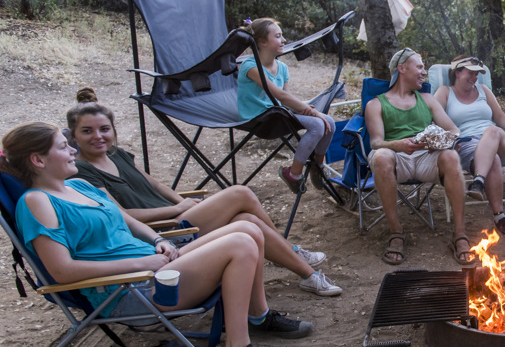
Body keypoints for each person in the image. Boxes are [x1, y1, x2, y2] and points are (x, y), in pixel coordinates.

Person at [1, 122, 309, 347]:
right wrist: (143, 261)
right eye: (62, 146)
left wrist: (157, 241)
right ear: (38, 161)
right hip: (130, 290)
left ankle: (259, 316)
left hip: (157, 268)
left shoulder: (80, 185)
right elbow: (62, 271)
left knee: (249, 229)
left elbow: (128, 221)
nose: (72, 151)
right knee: (239, 243)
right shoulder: (36, 202)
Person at [66, 89, 341, 297]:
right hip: (163, 229)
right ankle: (291, 251)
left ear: (113, 131)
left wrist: (181, 201)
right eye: (87, 131)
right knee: (240, 194)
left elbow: (154, 185)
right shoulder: (82, 170)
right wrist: (177, 209)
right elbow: (122, 215)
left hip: (179, 215)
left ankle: (307, 274)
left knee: (247, 219)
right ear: (73, 136)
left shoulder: (118, 155)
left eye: (104, 129)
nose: (98, 136)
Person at [366, 48, 475, 266]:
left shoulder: (427, 99)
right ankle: (396, 232)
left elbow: (454, 131)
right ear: (402, 68)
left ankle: (460, 234)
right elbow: (376, 143)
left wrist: (440, 141)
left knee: (452, 157)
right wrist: (397, 144)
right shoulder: (376, 104)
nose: (424, 72)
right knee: (380, 156)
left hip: (428, 156)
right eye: (419, 67)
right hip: (397, 158)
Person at [237, 17, 336, 195]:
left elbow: (286, 99)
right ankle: (293, 174)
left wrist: (307, 109)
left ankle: (317, 164)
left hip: (278, 113)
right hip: (260, 118)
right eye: (278, 36)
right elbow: (280, 94)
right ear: (262, 42)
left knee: (330, 123)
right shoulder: (250, 66)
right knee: (317, 124)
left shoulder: (282, 67)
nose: (283, 40)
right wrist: (315, 114)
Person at [434, 55, 505, 239]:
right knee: (493, 160)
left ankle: (478, 182)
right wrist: (448, 142)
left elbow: (499, 117)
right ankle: (500, 216)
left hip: (499, 141)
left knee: (493, 131)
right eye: (470, 73)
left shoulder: (483, 89)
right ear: (457, 72)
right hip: (468, 145)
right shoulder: (444, 92)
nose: (475, 78)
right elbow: (434, 121)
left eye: (477, 74)